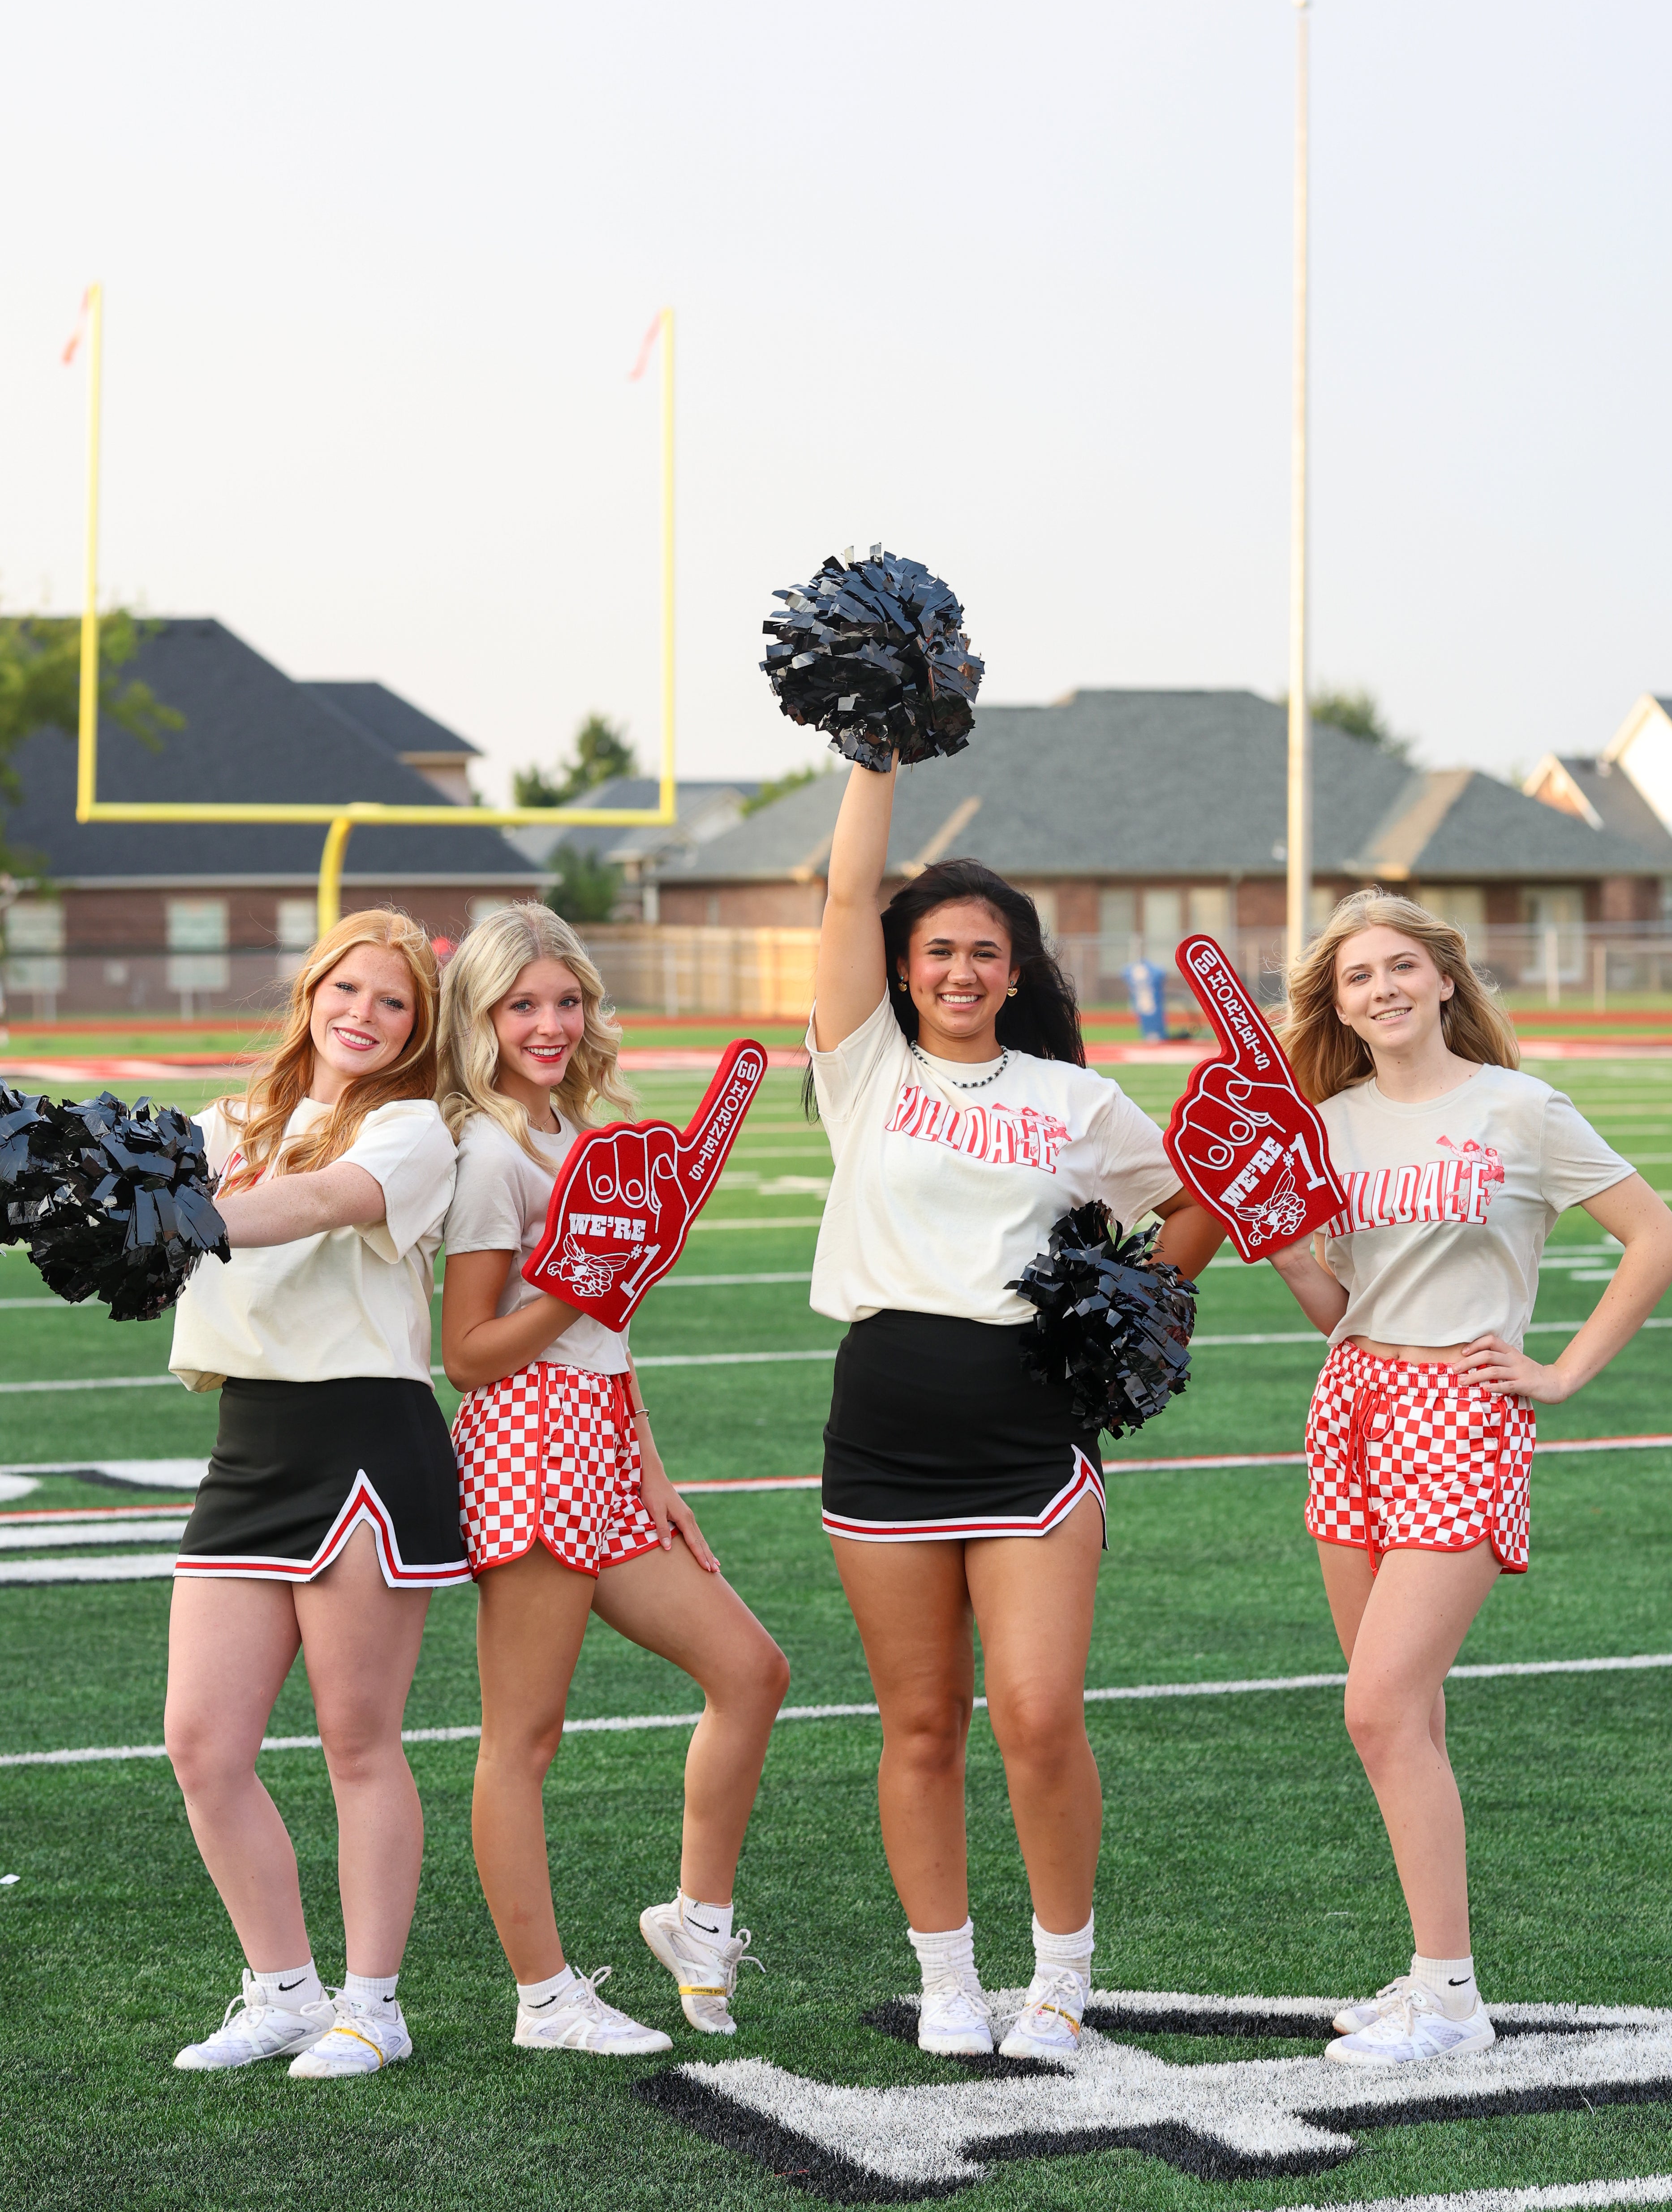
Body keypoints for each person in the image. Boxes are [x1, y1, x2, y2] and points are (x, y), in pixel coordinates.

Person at [805, 759, 1225, 2063]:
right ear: (904, 965)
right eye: (938, 951)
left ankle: (1059, 1978)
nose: (961, 971)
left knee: (1038, 1716)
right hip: (883, 1430)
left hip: (1031, 1431)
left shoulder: (1076, 1101)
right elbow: (842, 893)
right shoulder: (863, 1068)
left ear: (1019, 969)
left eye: (987, 953)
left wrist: (1139, 1297)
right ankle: (948, 1980)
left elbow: (1197, 1201)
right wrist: (876, 755)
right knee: (921, 1726)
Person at [1269, 890, 1672, 2067]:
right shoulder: (1330, 1124)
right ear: (1338, 1003)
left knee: (1378, 1704)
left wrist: (1559, 1373)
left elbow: (1657, 1240)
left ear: (1447, 979)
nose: (1382, 990)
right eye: (1357, 978)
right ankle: (1430, 1972)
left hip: (1463, 1415)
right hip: (1351, 1402)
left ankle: (1451, 2003)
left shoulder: (1521, 1109)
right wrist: (1288, 1243)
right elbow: (1340, 1312)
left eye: (1402, 966)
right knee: (1400, 1714)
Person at [437, 902, 790, 2056]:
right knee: (522, 1741)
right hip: (531, 1444)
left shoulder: (575, 1128)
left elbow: (610, 1334)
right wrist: (578, 1281)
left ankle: (697, 1922)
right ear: (481, 1017)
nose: (548, 1023)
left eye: (566, 1000)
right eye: (521, 1005)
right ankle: (545, 1997)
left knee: (752, 1670)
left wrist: (655, 1472)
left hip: (605, 1444)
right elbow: (471, 1352)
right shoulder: (491, 1149)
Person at [164, 908, 466, 2080]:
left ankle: (372, 2004)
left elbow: (320, 1203)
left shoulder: (411, 1133)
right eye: (349, 989)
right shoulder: (222, 1126)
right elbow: (130, 1218)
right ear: (311, 992)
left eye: (394, 1003)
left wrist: (186, 1221)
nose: (365, 1015)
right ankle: (284, 1990)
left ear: (415, 1029)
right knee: (203, 1744)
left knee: (358, 1741)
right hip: (251, 1441)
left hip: (362, 1443)